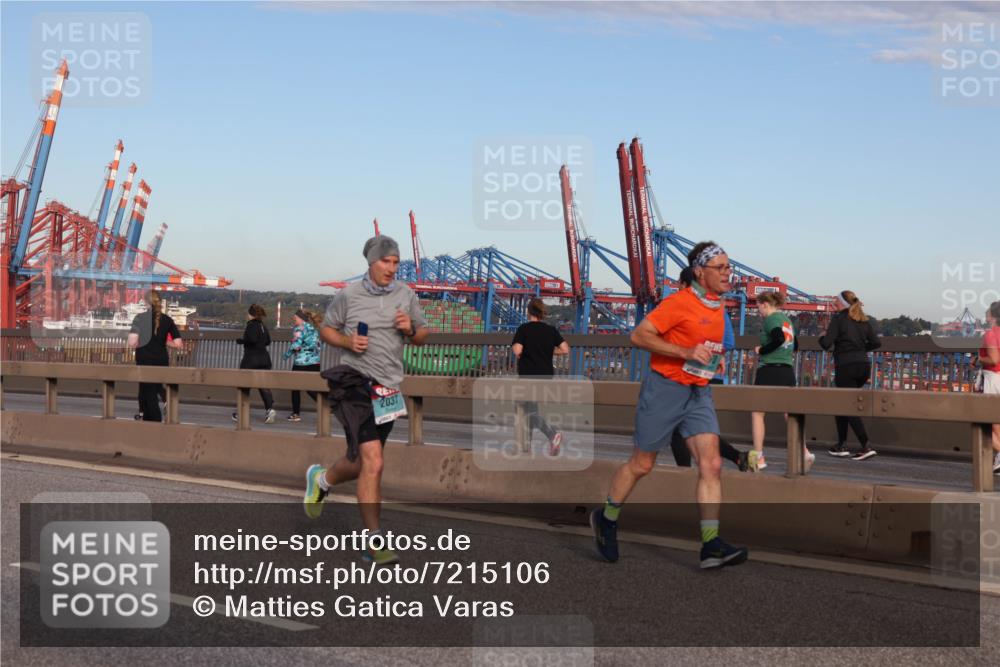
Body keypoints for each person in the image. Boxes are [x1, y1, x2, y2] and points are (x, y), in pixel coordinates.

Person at [591, 241, 748, 569]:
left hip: (698, 392)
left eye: (728, 267)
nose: (727, 274)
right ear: (699, 272)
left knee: (712, 464)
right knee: (642, 465)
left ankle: (710, 545)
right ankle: (606, 518)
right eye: (720, 268)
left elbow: (706, 343)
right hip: (664, 390)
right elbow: (639, 336)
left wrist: (712, 361)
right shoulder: (678, 303)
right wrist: (685, 353)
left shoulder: (719, 305)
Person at [303, 235, 429, 564]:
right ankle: (374, 543)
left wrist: (410, 328)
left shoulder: (406, 295)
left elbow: (424, 334)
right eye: (385, 261)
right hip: (354, 382)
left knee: (362, 463)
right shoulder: (349, 295)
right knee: (375, 462)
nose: (391, 267)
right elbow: (327, 330)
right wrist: (347, 341)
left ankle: (321, 480)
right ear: (371, 263)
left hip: (387, 388)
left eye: (395, 262)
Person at [668, 267, 749, 472]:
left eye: (680, 284)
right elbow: (729, 342)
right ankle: (738, 457)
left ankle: (684, 474)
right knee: (695, 426)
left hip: (688, 375)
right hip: (713, 375)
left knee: (679, 428)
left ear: (686, 286)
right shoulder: (718, 309)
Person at [748, 292, 813, 472]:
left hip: (769, 369)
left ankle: (759, 457)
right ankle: (805, 451)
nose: (758, 310)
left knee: (757, 412)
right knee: (789, 413)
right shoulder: (787, 320)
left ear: (766, 304)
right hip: (786, 370)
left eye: (758, 306)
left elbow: (778, 338)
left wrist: (762, 350)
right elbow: (795, 345)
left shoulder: (771, 319)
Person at [820, 290, 881, 460]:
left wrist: (821, 336)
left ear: (841, 303)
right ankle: (841, 445)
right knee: (842, 404)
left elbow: (826, 344)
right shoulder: (862, 319)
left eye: (836, 301)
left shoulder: (839, 319)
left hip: (846, 367)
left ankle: (866, 445)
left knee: (847, 406)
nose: (834, 303)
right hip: (863, 367)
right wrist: (860, 351)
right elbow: (876, 342)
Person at [512, 298, 570, 456]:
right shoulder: (550, 330)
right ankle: (528, 446)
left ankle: (552, 435)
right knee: (531, 409)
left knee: (523, 410)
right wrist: (550, 352)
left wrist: (523, 352)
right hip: (545, 377)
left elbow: (517, 350)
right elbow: (565, 349)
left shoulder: (524, 329)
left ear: (529, 311)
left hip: (528, 376)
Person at [127, 290, 182, 422]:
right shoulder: (168, 320)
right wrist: (163, 341)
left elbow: (132, 342)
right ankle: (146, 415)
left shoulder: (139, 318)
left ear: (146, 302)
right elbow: (178, 343)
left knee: (147, 390)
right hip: (161, 360)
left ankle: (152, 420)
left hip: (144, 359)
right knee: (151, 388)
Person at [233, 304, 276, 424]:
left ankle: (240, 412)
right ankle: (269, 409)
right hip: (265, 359)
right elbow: (268, 341)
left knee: (243, 384)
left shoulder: (251, 325)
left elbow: (251, 339)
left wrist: (241, 341)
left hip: (251, 359)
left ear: (251, 315)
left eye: (248, 314)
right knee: (264, 386)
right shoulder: (263, 326)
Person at [283, 309, 322, 422]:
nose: (294, 320)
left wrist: (286, 355)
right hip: (315, 362)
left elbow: (296, 346)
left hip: (302, 363)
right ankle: (325, 404)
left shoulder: (299, 329)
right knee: (311, 387)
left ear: (301, 319)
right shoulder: (314, 329)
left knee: (295, 388)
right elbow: (319, 346)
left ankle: (296, 414)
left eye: (295, 318)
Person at [976, 301, 1000, 473]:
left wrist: (977, 360)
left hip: (993, 378)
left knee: (987, 423)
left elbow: (993, 359)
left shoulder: (990, 334)